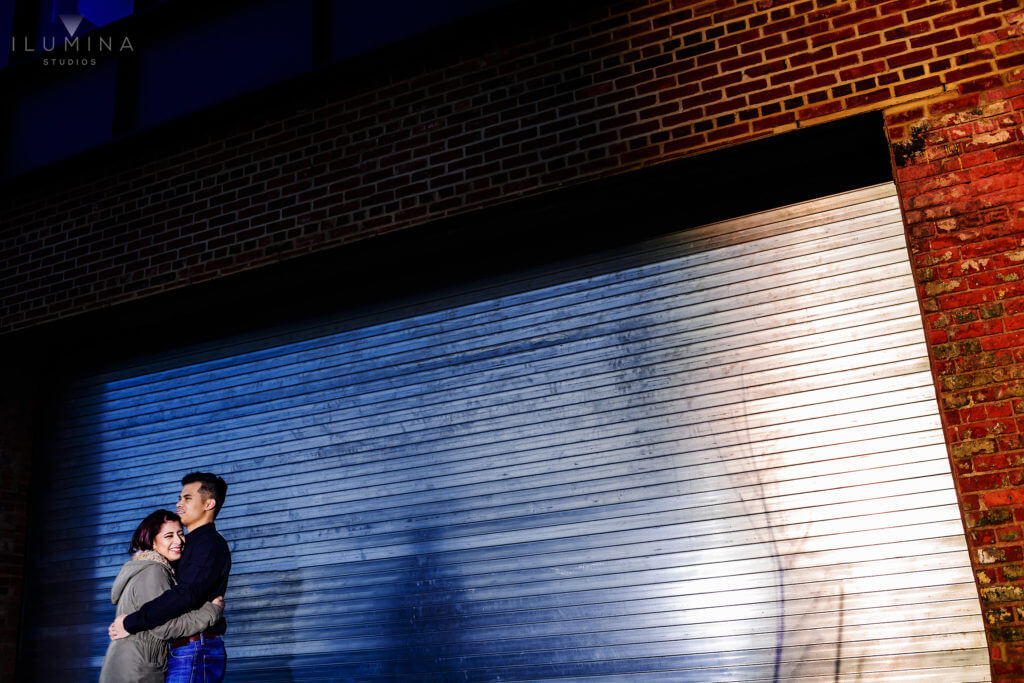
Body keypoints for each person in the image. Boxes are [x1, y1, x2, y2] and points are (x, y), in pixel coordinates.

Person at [109, 472, 232, 683]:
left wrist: (130, 622)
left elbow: (185, 595)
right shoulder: (185, 546)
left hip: (195, 649)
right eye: (180, 497)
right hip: (182, 649)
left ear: (208, 504)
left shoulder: (209, 545)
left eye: (187, 498)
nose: (179, 503)